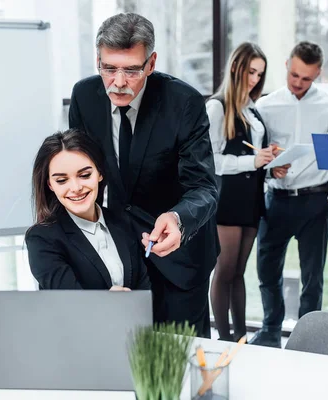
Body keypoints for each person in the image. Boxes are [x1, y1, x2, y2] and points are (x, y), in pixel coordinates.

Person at [68, 13, 219, 337]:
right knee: (127, 354)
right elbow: (79, 173)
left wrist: (178, 219)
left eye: (131, 70)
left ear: (150, 64)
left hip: (181, 255)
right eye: (109, 68)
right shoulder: (84, 97)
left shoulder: (185, 103)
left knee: (180, 362)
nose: (119, 82)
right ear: (97, 61)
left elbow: (204, 186)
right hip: (123, 254)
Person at [251, 41, 328, 347]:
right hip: (276, 199)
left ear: (317, 74)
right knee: (267, 270)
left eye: (306, 78)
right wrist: (270, 167)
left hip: (315, 201)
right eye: (294, 75)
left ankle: (308, 337)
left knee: (312, 277)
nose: (298, 83)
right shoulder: (265, 106)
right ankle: (270, 329)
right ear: (287, 64)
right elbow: (258, 156)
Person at [206, 42, 274, 342]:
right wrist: (253, 160)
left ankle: (241, 339)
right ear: (235, 67)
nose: (255, 79)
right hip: (228, 198)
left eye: (260, 74)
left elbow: (255, 155)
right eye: (251, 71)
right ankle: (224, 339)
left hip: (252, 196)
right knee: (225, 269)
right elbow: (212, 161)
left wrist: (272, 163)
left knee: (239, 273)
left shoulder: (252, 108)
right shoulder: (217, 106)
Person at [25, 129, 150, 291]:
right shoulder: (41, 239)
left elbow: (144, 290)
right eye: (62, 180)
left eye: (84, 175)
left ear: (99, 173)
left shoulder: (123, 221)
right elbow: (70, 303)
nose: (76, 188)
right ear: (50, 185)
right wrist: (108, 302)